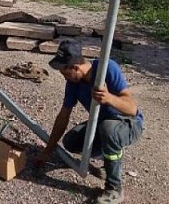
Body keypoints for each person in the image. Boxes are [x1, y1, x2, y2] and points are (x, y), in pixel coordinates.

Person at [35, 39, 144, 204]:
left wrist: (108, 98)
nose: (63, 76)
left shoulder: (107, 68)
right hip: (103, 124)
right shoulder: (73, 83)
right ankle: (108, 160)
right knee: (71, 141)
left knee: (109, 129)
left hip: (129, 123)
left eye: (64, 72)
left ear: (75, 67)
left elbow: (132, 109)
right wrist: (48, 150)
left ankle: (114, 189)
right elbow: (63, 117)